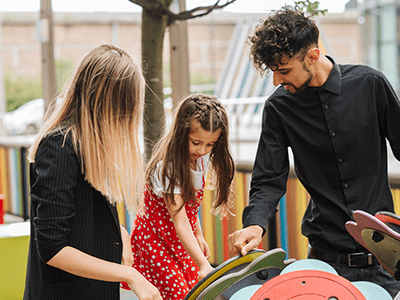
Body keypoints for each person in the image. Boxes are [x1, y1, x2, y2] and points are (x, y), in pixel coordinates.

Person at [228, 6, 400, 298]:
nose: (276, 81)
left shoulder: (371, 85)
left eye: (283, 70)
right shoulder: (278, 108)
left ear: (312, 56)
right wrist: (255, 224)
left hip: (383, 262)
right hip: (323, 263)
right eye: (273, 72)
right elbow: (269, 178)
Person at [23, 44, 162, 300]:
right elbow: (53, 247)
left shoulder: (94, 145)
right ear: (104, 97)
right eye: (126, 103)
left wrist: (118, 230)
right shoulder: (59, 146)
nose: (128, 114)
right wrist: (129, 275)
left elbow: (83, 210)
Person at [121, 94, 235, 299]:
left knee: (192, 292)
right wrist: (202, 263)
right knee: (179, 295)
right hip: (156, 242)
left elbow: (190, 207)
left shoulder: (198, 159)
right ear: (181, 134)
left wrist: (198, 234)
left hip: (178, 242)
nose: (202, 150)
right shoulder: (168, 168)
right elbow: (180, 219)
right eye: (196, 142)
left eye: (210, 145)